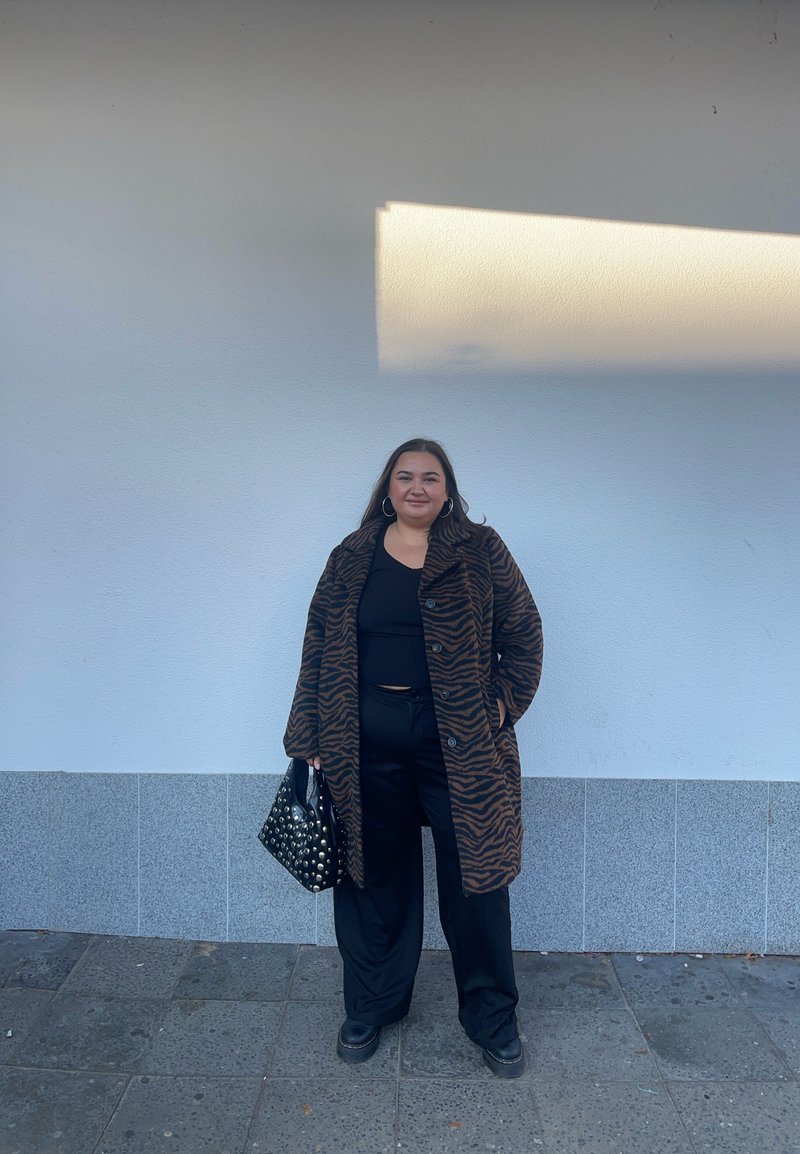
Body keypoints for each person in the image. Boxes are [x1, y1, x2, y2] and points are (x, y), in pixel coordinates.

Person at [284, 438, 543, 1077]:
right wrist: (307, 738)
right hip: (363, 742)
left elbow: (524, 632)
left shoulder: (481, 551)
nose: (417, 487)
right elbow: (317, 645)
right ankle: (373, 1005)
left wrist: (501, 708)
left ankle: (492, 1019)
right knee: (374, 877)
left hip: (459, 744)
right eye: (405, 477)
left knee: (476, 884)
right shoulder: (350, 557)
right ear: (388, 487)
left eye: (430, 478)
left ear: (447, 490)